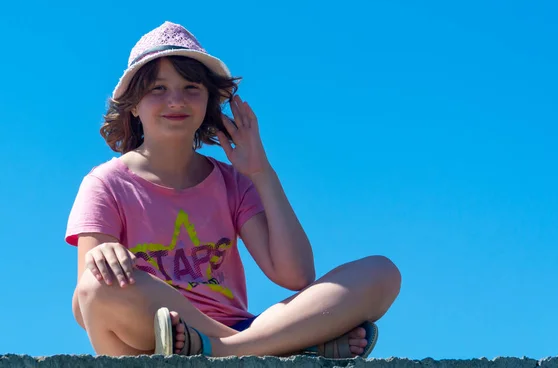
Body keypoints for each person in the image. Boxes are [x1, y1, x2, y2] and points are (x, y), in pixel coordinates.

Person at [66, 21, 402, 359]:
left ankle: (226, 349)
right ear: (133, 105)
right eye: (157, 89)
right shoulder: (105, 184)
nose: (176, 100)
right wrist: (100, 256)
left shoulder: (231, 182)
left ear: (209, 101)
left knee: (381, 273)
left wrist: (261, 172)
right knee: (95, 287)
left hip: (235, 331)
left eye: (191, 88)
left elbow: (296, 275)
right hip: (156, 338)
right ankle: (284, 344)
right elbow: (88, 304)